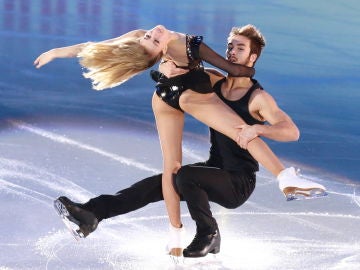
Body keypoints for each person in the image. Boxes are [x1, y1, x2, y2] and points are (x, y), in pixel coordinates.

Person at [34, 25, 325, 256]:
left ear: (253, 57)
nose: (232, 52)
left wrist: (259, 130)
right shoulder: (214, 82)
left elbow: (291, 131)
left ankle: (211, 231)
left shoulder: (258, 98)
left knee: (186, 172)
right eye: (230, 46)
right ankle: (92, 213)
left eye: (240, 48)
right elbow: (190, 73)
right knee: (161, 181)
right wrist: (163, 70)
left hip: (238, 181)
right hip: (212, 170)